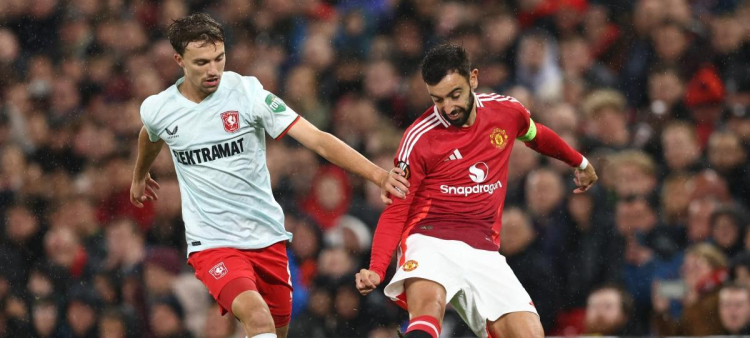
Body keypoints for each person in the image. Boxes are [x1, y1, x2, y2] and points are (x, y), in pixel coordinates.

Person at [129, 13, 409, 338]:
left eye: (219, 58)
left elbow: (317, 138)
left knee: (275, 332)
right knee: (258, 320)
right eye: (202, 62)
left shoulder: (248, 94)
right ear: (179, 60)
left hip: (267, 238)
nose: (213, 70)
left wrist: (377, 174)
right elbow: (149, 136)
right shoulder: (159, 108)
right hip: (213, 243)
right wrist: (140, 173)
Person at [355, 44, 598, 338]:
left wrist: (580, 162)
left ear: (473, 78)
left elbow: (537, 135)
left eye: (455, 95)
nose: (447, 107)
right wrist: (377, 269)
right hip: (430, 237)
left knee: (529, 333)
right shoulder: (419, 138)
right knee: (429, 308)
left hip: (484, 247)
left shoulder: (506, 112)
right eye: (438, 99)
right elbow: (396, 210)